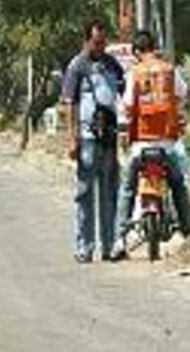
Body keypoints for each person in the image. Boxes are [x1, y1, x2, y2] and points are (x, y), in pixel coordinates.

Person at [110, 28, 190, 260]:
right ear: (153, 47)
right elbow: (183, 94)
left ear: (137, 51)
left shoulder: (134, 73)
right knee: (178, 186)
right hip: (167, 143)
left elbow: (127, 105)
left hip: (141, 145)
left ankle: (119, 240)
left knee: (127, 189)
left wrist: (125, 129)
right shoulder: (169, 70)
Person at [62, 19, 125, 263]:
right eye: (96, 42)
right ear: (86, 40)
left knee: (110, 193)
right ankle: (84, 246)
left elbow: (124, 91)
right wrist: (72, 137)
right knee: (85, 193)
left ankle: (110, 245)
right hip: (87, 138)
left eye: (103, 42)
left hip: (109, 138)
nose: (100, 47)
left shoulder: (111, 64)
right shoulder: (77, 66)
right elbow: (70, 102)